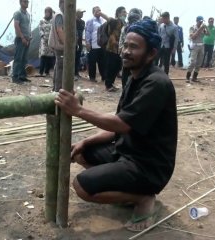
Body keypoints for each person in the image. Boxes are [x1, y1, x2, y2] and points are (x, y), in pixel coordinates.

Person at [54, 18, 177, 232]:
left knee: (81, 187)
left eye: (134, 47)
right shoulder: (134, 76)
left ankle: (142, 197)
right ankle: (124, 190)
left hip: (147, 165)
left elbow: (121, 124)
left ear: (151, 53)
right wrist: (85, 140)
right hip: (127, 151)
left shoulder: (156, 83)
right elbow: (119, 120)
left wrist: (78, 110)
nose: (126, 51)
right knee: (81, 152)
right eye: (126, 45)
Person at [100, 7, 125, 92]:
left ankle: (111, 83)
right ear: (118, 13)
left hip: (118, 48)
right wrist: (100, 12)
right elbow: (107, 17)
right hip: (111, 48)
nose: (125, 14)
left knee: (117, 66)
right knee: (111, 66)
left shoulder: (123, 23)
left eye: (125, 12)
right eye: (123, 12)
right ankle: (108, 85)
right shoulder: (114, 21)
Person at [119, 8, 142, 88]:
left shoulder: (125, 27)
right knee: (133, 71)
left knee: (126, 71)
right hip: (134, 55)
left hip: (126, 53)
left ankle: (125, 88)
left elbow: (121, 42)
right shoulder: (140, 29)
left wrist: (122, 50)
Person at [12, 0, 32, 84]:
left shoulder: (27, 14)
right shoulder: (18, 13)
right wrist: (22, 37)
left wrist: (30, 36)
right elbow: (16, 26)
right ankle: (15, 77)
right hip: (20, 39)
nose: (26, 3)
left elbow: (27, 26)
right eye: (25, 2)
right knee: (18, 58)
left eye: (27, 2)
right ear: (20, 2)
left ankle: (22, 76)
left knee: (24, 59)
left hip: (27, 38)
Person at [85, 6, 106, 82]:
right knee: (92, 62)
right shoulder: (90, 21)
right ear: (93, 12)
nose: (99, 12)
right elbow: (88, 32)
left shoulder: (103, 20)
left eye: (100, 10)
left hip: (101, 45)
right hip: (93, 45)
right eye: (97, 11)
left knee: (102, 62)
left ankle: (104, 77)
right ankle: (92, 77)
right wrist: (87, 42)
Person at [186, 16, 209, 83]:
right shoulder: (192, 27)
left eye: (202, 21)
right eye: (200, 21)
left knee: (199, 62)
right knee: (193, 62)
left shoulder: (203, 28)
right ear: (197, 21)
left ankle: (194, 77)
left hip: (201, 46)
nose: (201, 22)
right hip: (195, 46)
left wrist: (206, 27)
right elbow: (192, 37)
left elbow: (208, 34)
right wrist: (200, 29)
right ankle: (188, 76)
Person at [48, 0, 64, 92]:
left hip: (58, 45)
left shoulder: (59, 15)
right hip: (60, 45)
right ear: (61, 4)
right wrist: (66, 44)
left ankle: (55, 88)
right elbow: (59, 30)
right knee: (60, 68)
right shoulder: (59, 15)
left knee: (58, 66)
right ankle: (58, 89)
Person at [38, 7, 55, 77]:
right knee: (43, 56)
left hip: (51, 40)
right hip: (44, 40)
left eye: (49, 12)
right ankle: (41, 72)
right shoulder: (42, 21)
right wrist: (43, 36)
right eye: (46, 12)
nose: (47, 13)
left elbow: (54, 29)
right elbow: (40, 29)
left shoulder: (53, 21)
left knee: (49, 56)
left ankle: (47, 71)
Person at [75, 8, 86, 80]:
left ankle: (76, 72)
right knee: (73, 58)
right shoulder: (73, 21)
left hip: (80, 42)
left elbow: (82, 32)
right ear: (77, 13)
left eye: (83, 13)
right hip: (73, 42)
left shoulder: (83, 22)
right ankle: (72, 73)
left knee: (78, 58)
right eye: (81, 12)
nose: (82, 14)